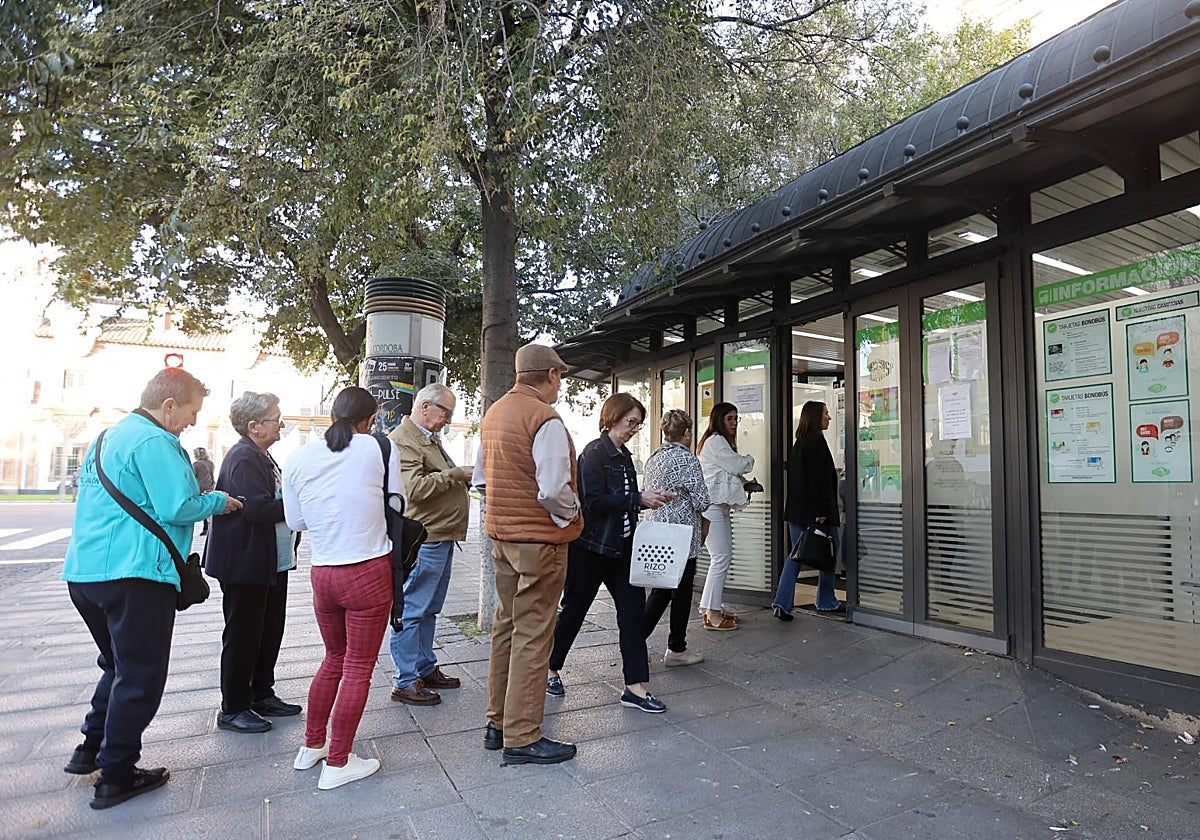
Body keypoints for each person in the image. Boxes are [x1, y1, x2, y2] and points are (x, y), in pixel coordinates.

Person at [62, 367, 241, 810]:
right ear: (168, 405)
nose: (192, 422)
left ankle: (90, 750)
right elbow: (177, 506)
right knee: (140, 676)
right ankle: (117, 774)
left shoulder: (108, 437)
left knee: (118, 664)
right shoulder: (156, 441)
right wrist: (219, 501)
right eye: (191, 412)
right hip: (136, 574)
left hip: (85, 573)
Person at [283, 387, 403, 790]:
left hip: (323, 573)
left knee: (334, 658)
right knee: (357, 667)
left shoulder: (297, 457)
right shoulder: (378, 448)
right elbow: (399, 504)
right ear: (371, 417)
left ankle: (311, 747)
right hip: (367, 569)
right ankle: (338, 763)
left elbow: (296, 521)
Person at [479, 342, 582, 765]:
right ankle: (522, 736)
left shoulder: (495, 413)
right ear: (552, 375)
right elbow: (555, 489)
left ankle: (497, 722)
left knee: (506, 626)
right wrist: (572, 513)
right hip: (540, 541)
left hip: (501, 537)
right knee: (534, 634)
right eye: (561, 376)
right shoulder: (546, 418)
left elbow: (482, 480)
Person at [548, 394, 673, 713]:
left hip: (621, 549)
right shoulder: (593, 453)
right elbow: (593, 503)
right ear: (612, 418)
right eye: (630, 422)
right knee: (574, 611)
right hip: (590, 549)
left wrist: (647, 500)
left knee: (632, 616)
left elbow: (627, 499)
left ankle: (636, 687)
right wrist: (637, 500)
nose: (634, 429)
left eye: (638, 424)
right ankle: (549, 668)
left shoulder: (624, 455)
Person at [204, 392, 301, 735]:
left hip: (270, 562)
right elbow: (257, 509)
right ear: (253, 426)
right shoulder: (244, 457)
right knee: (244, 635)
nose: (281, 425)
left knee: (268, 631)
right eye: (276, 419)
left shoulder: (262, 455)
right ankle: (233, 707)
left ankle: (261, 693)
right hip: (245, 563)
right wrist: (301, 502)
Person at [387, 382, 470, 706]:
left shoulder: (426, 438)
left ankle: (424, 666)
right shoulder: (405, 440)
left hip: (440, 535)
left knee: (429, 609)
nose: (448, 420)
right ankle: (405, 680)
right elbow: (414, 489)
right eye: (445, 412)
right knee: (413, 609)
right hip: (426, 538)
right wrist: (457, 474)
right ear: (425, 407)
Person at [642, 409, 710, 666]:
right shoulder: (687, 461)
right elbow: (702, 500)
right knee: (679, 593)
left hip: (658, 532)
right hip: (681, 536)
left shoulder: (654, 458)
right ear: (688, 433)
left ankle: (639, 640)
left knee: (662, 590)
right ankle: (676, 649)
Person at [772, 400, 843, 620]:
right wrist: (820, 512)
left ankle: (782, 603)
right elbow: (816, 480)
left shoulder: (800, 442)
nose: (829, 418)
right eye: (825, 414)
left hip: (797, 511)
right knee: (830, 550)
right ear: (815, 417)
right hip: (816, 512)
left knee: (797, 555)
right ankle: (825, 600)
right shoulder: (815, 442)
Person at [697, 402, 755, 631]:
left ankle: (713, 609)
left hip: (717, 506)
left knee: (721, 558)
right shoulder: (716, 442)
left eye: (735, 418)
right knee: (721, 558)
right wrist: (750, 460)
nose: (733, 423)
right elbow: (738, 466)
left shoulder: (717, 442)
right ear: (718, 420)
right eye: (729, 418)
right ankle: (712, 613)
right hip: (712, 507)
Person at [193, 447, 215, 535]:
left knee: (203, 507)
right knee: (211, 506)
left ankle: (205, 527)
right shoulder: (210, 463)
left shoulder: (196, 464)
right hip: (211, 486)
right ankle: (209, 527)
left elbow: (192, 477)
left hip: (201, 488)